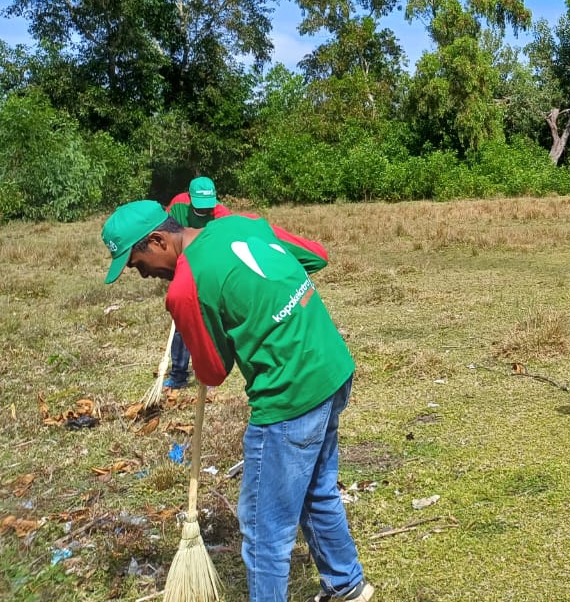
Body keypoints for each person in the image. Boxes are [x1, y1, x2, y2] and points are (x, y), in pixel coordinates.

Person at [100, 200, 373, 602]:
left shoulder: (184, 288)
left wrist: (213, 318)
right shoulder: (242, 224)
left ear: (158, 240)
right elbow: (315, 256)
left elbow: (212, 373)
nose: (142, 275)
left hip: (289, 396)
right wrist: (267, 300)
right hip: (332, 366)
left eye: (137, 264)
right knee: (316, 488)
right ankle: (346, 583)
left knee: (264, 528)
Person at [160, 176, 233, 390]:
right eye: (199, 207)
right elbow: (167, 236)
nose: (204, 211)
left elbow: (225, 247)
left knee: (208, 321)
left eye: (207, 206)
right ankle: (178, 374)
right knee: (182, 323)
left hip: (209, 268)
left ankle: (210, 373)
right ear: (190, 198)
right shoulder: (178, 206)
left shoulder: (221, 214)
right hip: (183, 264)